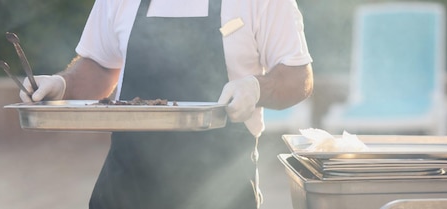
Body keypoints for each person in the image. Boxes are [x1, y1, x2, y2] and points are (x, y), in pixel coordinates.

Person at [20, 0, 313, 208]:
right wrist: (62, 85)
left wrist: (256, 88)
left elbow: (298, 77)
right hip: (126, 188)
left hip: (221, 189)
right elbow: (99, 65)